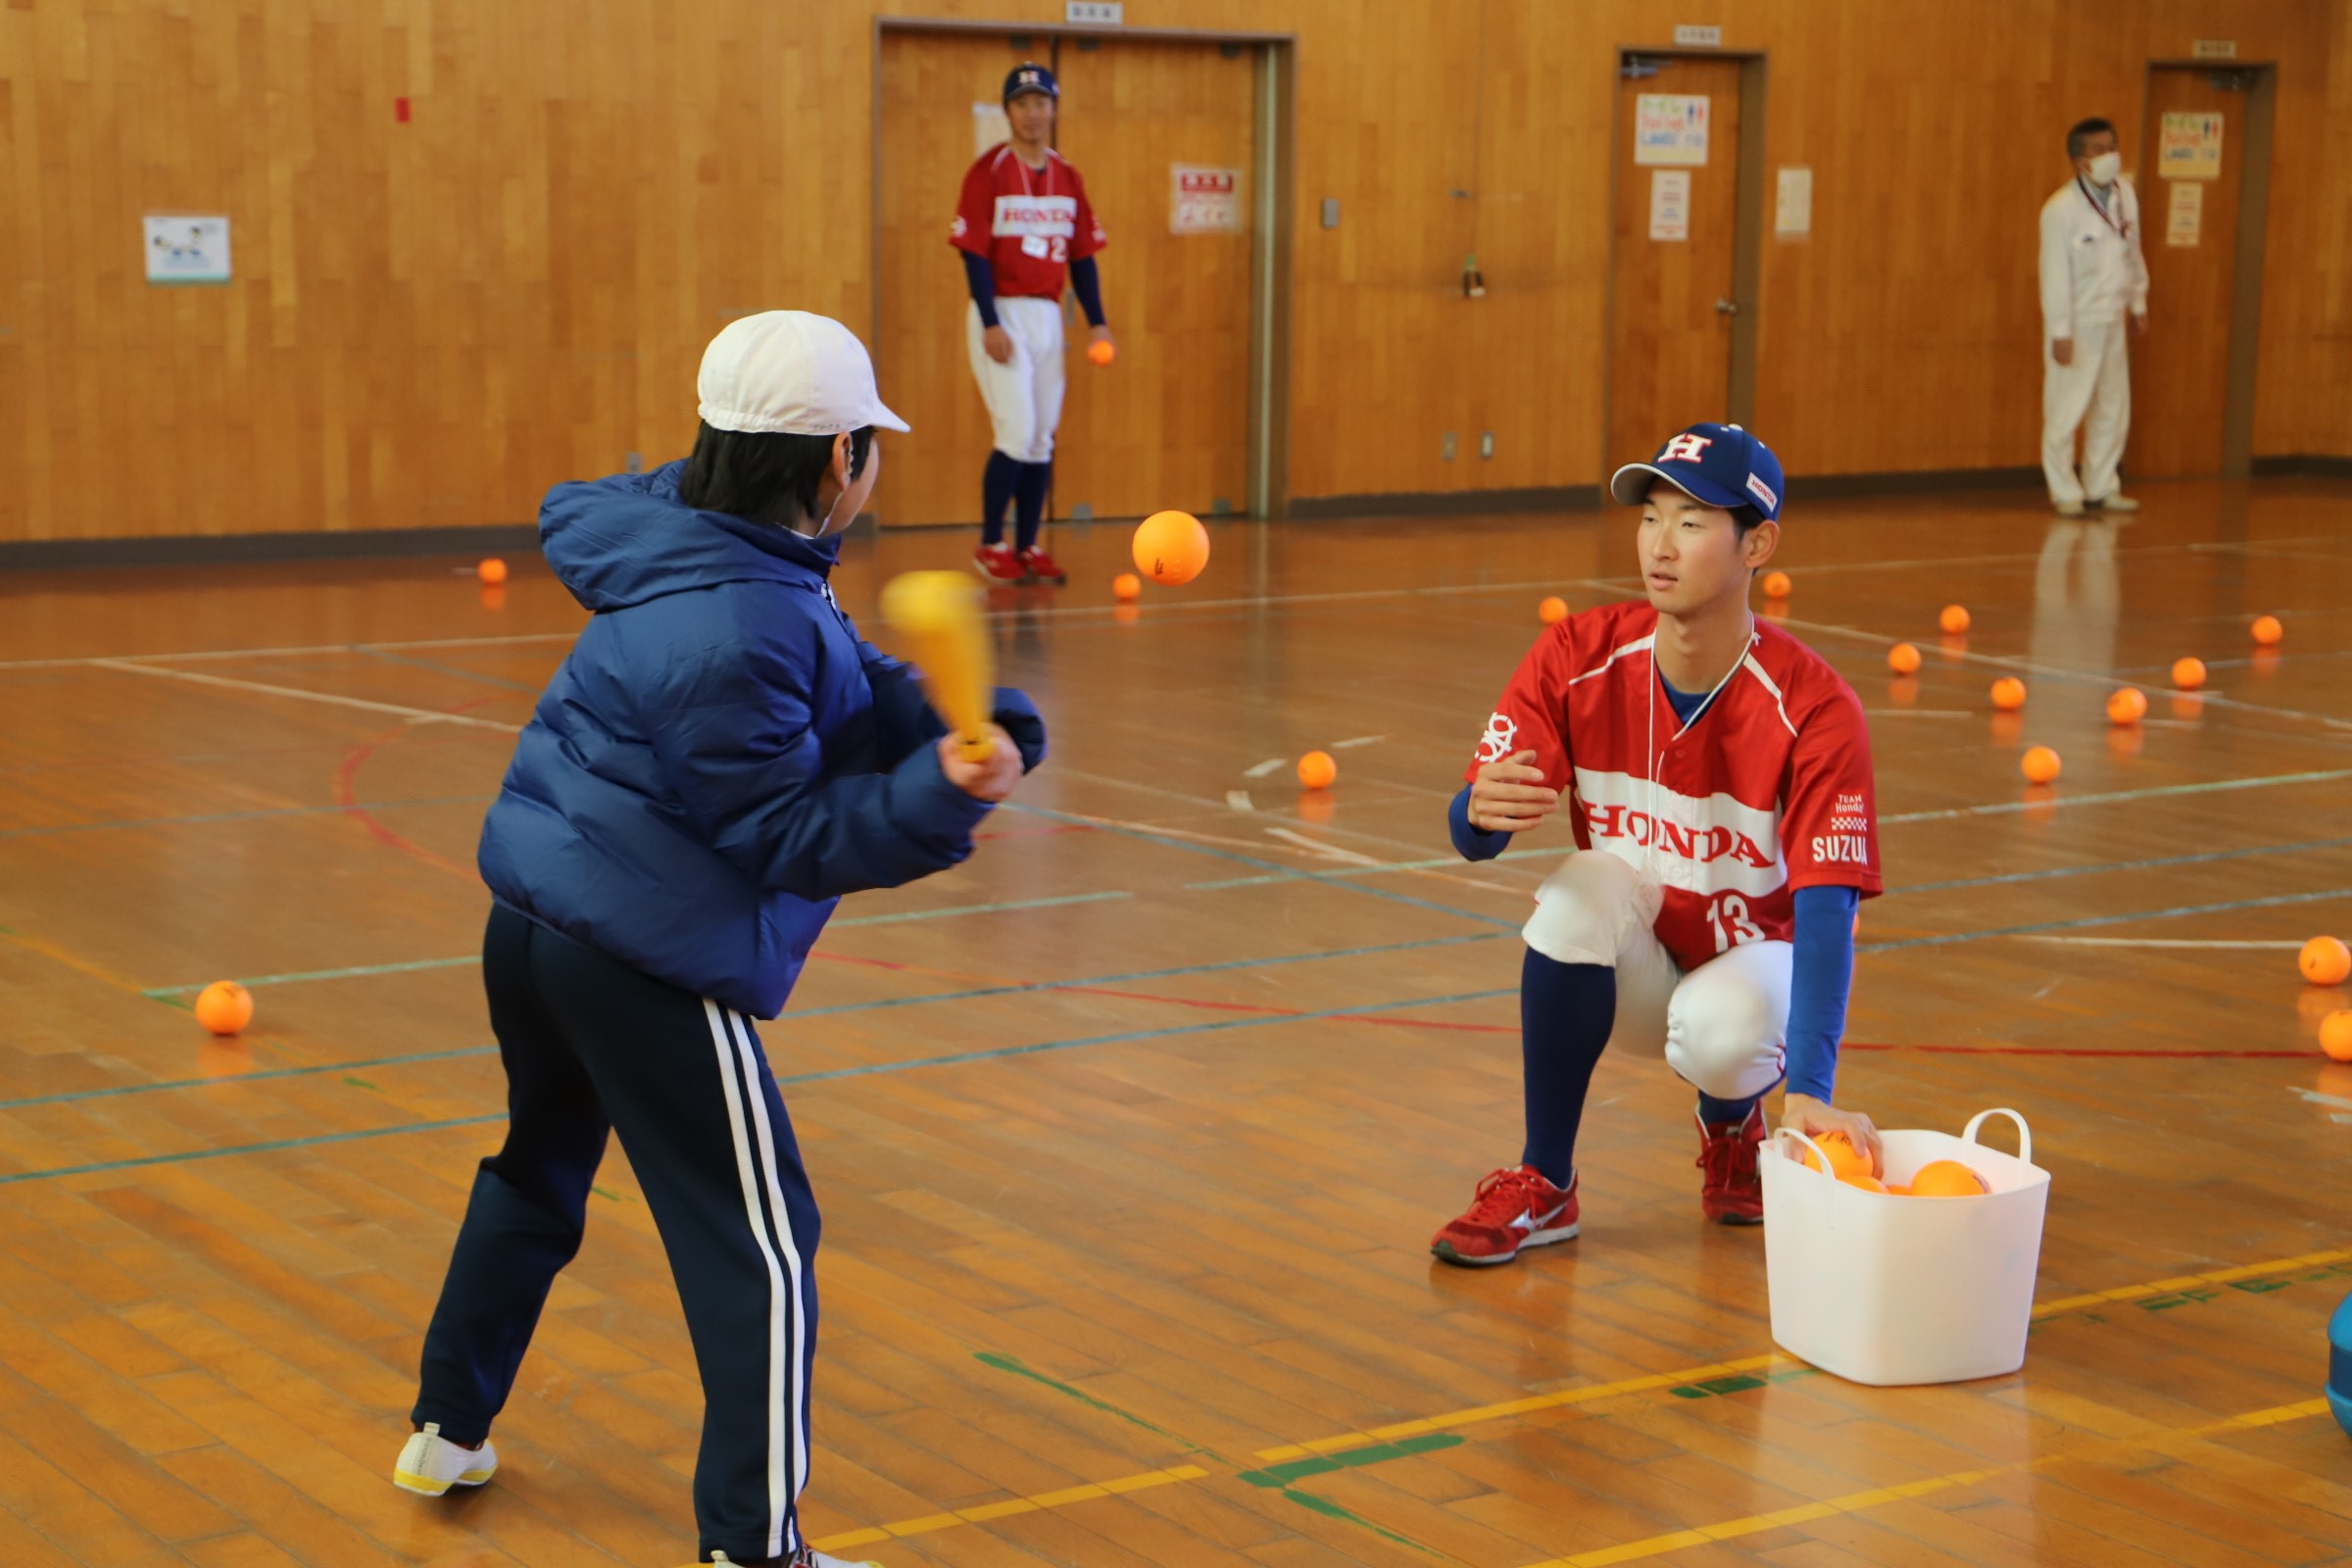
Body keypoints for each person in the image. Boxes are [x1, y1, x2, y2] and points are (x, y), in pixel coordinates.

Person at [395, 310, 1044, 1568]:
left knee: (537, 1169)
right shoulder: (747, 611)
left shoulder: (696, 545)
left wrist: (974, 722)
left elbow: (843, 683)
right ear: (836, 462)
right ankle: (755, 1549)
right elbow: (786, 832)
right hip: (642, 960)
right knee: (764, 1248)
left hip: (535, 920)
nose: (875, 466)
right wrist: (943, 798)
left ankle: (446, 1426)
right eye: (870, 445)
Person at [1430, 423, 1884, 1267]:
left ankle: (1733, 1115)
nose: (1659, 545)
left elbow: (1828, 905)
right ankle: (1547, 1180)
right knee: (1579, 885)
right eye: (1651, 517)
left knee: (1723, 1035)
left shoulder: (1816, 707)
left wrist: (1811, 1095)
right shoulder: (1577, 655)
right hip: (1636, 968)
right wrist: (1474, 811)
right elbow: (1476, 836)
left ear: (1759, 544)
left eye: (1692, 521)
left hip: (1755, 969)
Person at [950, 61, 1113, 585]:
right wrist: (991, 321)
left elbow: (1083, 257)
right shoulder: (989, 171)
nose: (1032, 112)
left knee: (1041, 436)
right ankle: (991, 543)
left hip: (1047, 314)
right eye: (1021, 103)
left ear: (1054, 109)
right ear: (1009, 112)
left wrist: (1098, 324)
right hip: (1001, 311)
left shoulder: (1068, 175)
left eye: (1041, 102)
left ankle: (1027, 547)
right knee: (1016, 431)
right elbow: (973, 252)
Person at [2039, 116, 2149, 517]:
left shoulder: (2126, 194)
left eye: (2111, 147)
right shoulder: (2060, 209)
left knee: (2112, 404)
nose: (2109, 157)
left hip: (2113, 316)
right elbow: (2054, 275)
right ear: (2078, 161)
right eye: (2098, 151)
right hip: (2079, 321)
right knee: (2067, 407)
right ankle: (2064, 488)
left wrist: (2138, 303)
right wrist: (2060, 331)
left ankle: (2102, 485)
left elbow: (2132, 251)